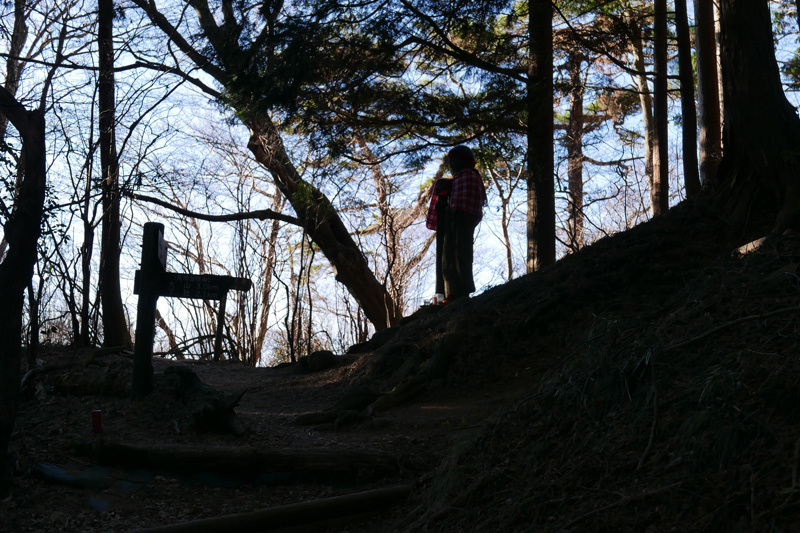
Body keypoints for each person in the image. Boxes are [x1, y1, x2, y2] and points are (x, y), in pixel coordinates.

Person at [438, 145, 486, 302]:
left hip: (463, 218)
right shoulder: (458, 179)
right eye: (450, 162)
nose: (451, 165)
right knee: (449, 255)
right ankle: (449, 291)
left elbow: (466, 203)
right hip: (455, 218)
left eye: (454, 161)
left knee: (461, 253)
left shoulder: (470, 176)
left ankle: (461, 291)